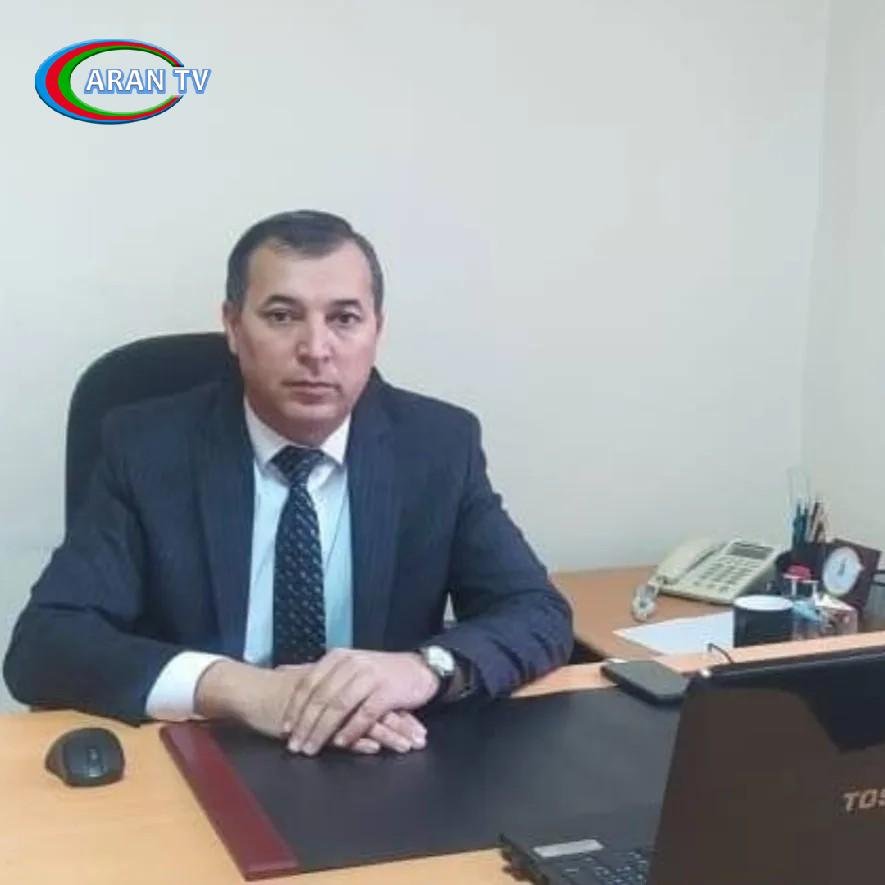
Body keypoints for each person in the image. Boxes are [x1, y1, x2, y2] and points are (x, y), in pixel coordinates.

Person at [4, 210, 573, 756]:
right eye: (282, 316)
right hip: (207, 748)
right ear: (233, 326)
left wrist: (422, 670)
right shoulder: (148, 448)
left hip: (385, 750)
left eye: (344, 319)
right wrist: (240, 688)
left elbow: (536, 611)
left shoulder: (437, 446)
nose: (316, 350)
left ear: (377, 330)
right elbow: (45, 643)